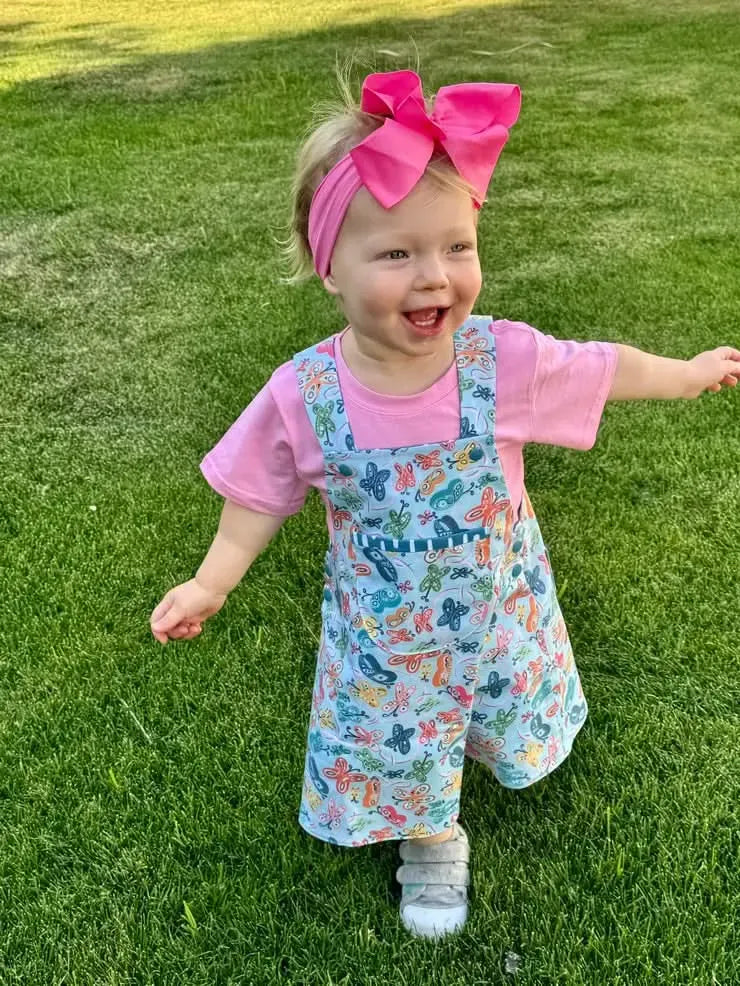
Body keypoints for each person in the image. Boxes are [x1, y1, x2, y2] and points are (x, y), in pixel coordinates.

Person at [150, 69, 739, 939]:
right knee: (402, 733)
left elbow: (600, 364)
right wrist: (212, 581)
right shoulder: (304, 394)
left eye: (456, 247)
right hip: (385, 630)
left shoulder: (496, 362)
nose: (435, 279)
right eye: (395, 254)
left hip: (496, 601)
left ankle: (482, 755)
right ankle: (430, 834)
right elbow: (258, 494)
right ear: (329, 268)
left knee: (495, 700)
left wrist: (685, 374)